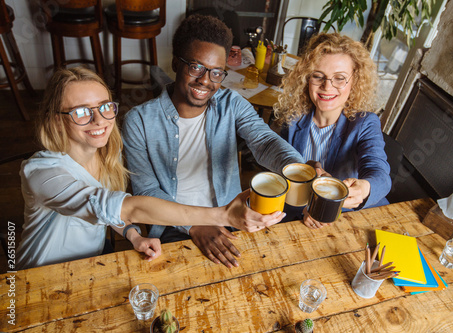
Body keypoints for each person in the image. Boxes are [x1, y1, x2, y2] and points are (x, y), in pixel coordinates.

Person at [16, 67, 285, 270]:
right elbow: (129, 207)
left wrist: (133, 235)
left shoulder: (107, 154)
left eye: (104, 107)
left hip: (91, 262)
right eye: (81, 112)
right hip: (40, 274)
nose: (99, 119)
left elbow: (111, 212)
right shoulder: (42, 173)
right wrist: (223, 216)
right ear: (56, 121)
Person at [122, 14, 304, 268]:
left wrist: (299, 169)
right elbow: (146, 191)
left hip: (233, 216)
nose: (206, 80)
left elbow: (264, 141)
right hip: (173, 227)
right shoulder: (138, 121)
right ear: (176, 63)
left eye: (217, 72)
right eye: (196, 67)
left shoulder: (232, 104)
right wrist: (196, 224)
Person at [274, 33, 391, 229]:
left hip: (348, 220)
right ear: (306, 78)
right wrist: (306, 206)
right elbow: (281, 172)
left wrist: (364, 189)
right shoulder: (292, 118)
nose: (327, 87)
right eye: (318, 76)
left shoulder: (365, 123)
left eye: (340, 78)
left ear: (355, 81)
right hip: (301, 217)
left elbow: (379, 172)